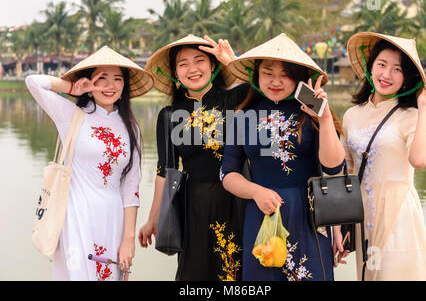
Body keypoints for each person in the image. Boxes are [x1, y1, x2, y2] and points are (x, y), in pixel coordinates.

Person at [220, 33, 346, 281]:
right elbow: (227, 174)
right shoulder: (243, 116)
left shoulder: (312, 115)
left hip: (309, 218)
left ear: (299, 79)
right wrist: (255, 192)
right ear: (257, 75)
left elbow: (333, 167)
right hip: (262, 217)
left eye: (285, 74)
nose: (275, 81)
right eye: (268, 73)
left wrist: (325, 117)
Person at [25, 46, 153, 280]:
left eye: (117, 79)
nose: (110, 85)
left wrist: (128, 239)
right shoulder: (70, 114)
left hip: (112, 218)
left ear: (125, 85)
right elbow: (33, 81)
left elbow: (130, 187)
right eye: (101, 78)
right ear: (89, 81)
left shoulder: (130, 128)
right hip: (75, 215)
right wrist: (73, 88)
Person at [139, 34, 250, 281]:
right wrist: (152, 218)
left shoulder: (234, 100)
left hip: (238, 203)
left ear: (213, 65)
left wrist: (231, 61)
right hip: (193, 208)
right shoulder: (169, 115)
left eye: (199, 60)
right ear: (174, 73)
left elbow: (264, 86)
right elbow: (164, 171)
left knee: (236, 274)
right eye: (183, 63)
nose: (192, 69)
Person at [341, 32, 426, 280]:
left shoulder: (410, 115)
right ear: (371, 67)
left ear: (406, 79)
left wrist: (424, 108)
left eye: (397, 69)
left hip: (398, 216)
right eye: (382, 65)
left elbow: (420, 160)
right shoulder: (352, 115)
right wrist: (340, 224)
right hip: (362, 216)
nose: (387, 74)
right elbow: (345, 172)